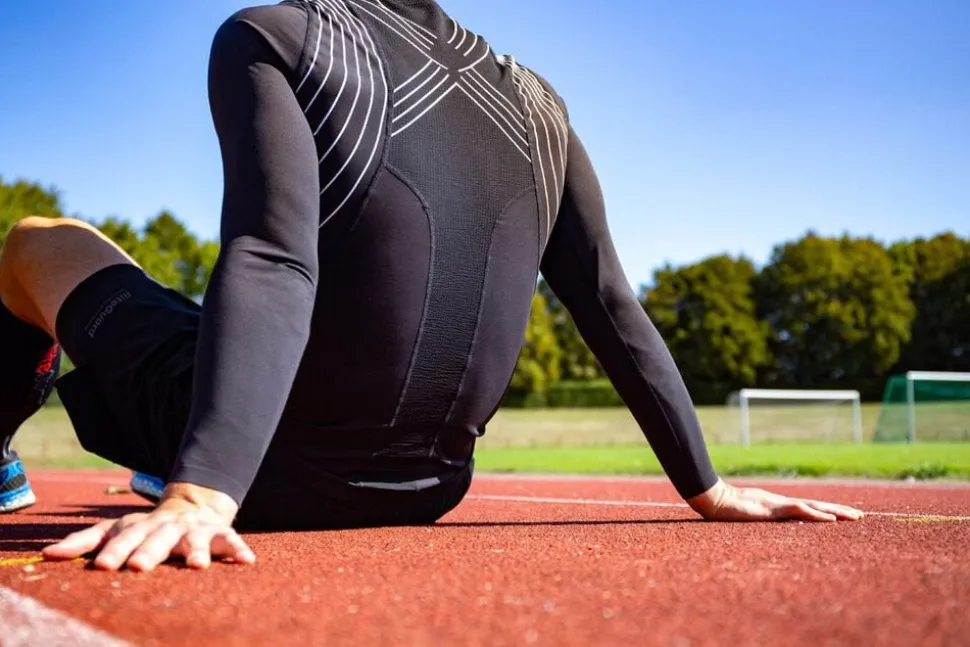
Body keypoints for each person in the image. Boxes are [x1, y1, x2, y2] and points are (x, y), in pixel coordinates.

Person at [0, 0, 862, 572]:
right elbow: (605, 296)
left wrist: (206, 488)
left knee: (37, 240)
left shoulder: (273, 34)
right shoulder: (540, 102)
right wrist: (707, 485)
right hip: (433, 491)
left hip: (264, 480)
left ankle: (7, 462)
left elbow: (274, 256)